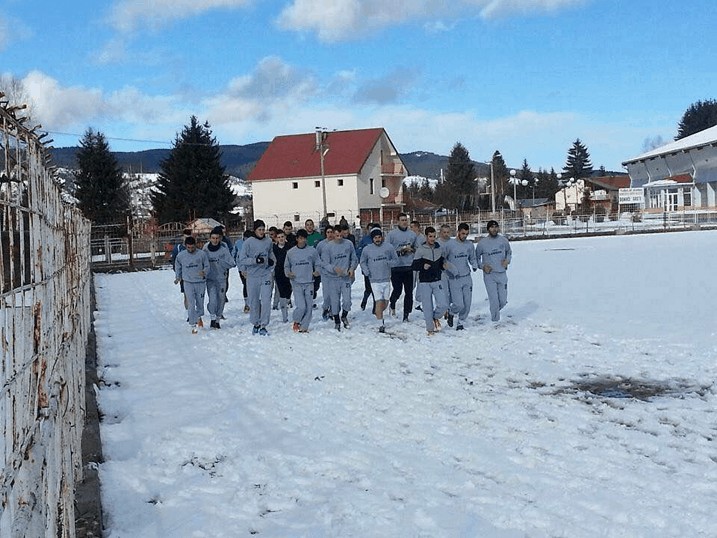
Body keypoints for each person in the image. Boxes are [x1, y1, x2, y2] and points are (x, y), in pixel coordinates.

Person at [238, 220, 276, 335]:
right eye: (259, 229)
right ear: (255, 230)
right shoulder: (248, 242)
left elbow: (271, 254)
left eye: (263, 229)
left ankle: (264, 325)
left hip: (265, 275)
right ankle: (256, 323)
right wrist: (255, 260)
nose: (262, 232)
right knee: (254, 301)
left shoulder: (268, 241)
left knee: (266, 300)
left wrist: (272, 262)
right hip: (253, 276)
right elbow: (242, 259)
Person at [319, 223, 358, 330]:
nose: (339, 238)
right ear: (334, 235)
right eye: (337, 236)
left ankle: (344, 316)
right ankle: (336, 320)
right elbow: (324, 263)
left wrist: (352, 268)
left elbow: (354, 258)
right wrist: (334, 268)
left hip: (345, 278)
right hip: (333, 278)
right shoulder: (328, 247)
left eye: (341, 235)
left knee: (347, 300)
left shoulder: (348, 244)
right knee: (335, 301)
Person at [359, 228, 398, 333]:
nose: (377, 239)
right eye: (375, 238)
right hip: (374, 280)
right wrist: (366, 271)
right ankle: (380, 324)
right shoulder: (367, 249)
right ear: (372, 239)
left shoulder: (389, 247)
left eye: (379, 237)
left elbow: (395, 260)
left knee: (385, 303)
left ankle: (379, 313)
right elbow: (362, 262)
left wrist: (389, 263)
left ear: (382, 237)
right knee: (378, 302)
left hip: (386, 278)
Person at [412, 226, 448, 336]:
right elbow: (414, 265)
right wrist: (422, 266)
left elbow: (441, 262)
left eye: (434, 236)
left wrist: (443, 265)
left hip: (437, 280)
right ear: (426, 236)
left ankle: (435, 317)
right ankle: (430, 329)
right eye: (430, 236)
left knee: (443, 304)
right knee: (427, 307)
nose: (432, 238)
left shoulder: (439, 248)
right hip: (424, 282)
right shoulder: (421, 249)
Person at [475, 220, 512, 322]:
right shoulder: (482, 243)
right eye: (491, 227)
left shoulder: (503, 240)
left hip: (502, 273)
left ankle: (495, 311)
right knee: (494, 300)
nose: (494, 229)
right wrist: (482, 266)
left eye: (496, 227)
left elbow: (509, 252)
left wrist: (507, 260)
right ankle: (495, 321)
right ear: (488, 229)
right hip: (489, 275)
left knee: (503, 301)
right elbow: (476, 258)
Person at [443, 222, 478, 330]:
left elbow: (472, 258)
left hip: (466, 276)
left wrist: (474, 265)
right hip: (454, 278)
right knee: (459, 304)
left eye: (467, 234)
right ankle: (451, 312)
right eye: (463, 233)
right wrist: (451, 269)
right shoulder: (449, 244)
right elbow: (443, 259)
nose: (465, 236)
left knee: (467, 304)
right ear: (458, 232)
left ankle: (460, 322)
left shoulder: (469, 245)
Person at [285, 229, 321, 333]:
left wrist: (317, 271)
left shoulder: (312, 251)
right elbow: (286, 266)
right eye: (300, 238)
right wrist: (288, 273)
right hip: (296, 282)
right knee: (301, 306)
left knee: (309, 307)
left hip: (309, 282)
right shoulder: (291, 252)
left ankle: (304, 327)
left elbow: (318, 263)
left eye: (304, 238)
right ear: (297, 239)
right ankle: (296, 320)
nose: (302, 241)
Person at [173, 236, 209, 333]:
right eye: (188, 247)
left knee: (200, 303)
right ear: (185, 246)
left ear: (195, 245)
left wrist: (204, 271)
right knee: (191, 304)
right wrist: (178, 277)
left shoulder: (202, 254)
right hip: (188, 282)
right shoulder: (181, 256)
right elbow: (178, 266)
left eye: (192, 247)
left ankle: (199, 317)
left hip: (200, 282)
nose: (190, 249)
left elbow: (207, 265)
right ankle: (193, 325)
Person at [387, 213, 418, 321]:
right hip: (396, 267)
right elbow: (387, 251)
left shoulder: (412, 234)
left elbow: (417, 248)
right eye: (402, 220)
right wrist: (400, 252)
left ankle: (406, 315)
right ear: (397, 222)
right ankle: (392, 303)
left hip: (408, 266)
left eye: (405, 220)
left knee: (409, 292)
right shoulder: (392, 235)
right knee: (398, 290)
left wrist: (411, 250)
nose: (404, 222)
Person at [203, 226, 235, 329]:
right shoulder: (205, 248)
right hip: (210, 279)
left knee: (221, 300)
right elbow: (201, 261)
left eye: (217, 238)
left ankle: (217, 320)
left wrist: (222, 263)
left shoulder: (224, 249)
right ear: (210, 238)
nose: (215, 240)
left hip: (221, 279)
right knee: (213, 299)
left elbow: (232, 263)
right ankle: (212, 318)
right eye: (213, 238)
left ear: (220, 238)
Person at [356, 222, 377, 311]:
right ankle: (364, 302)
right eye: (369, 229)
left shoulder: (378, 239)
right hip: (367, 268)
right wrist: (361, 261)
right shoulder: (365, 240)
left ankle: (375, 307)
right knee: (368, 288)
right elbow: (358, 251)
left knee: (375, 289)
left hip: (377, 268)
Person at [272, 230, 292, 323]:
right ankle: (284, 316)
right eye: (279, 237)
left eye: (282, 237)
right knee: (281, 293)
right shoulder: (274, 249)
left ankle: (287, 303)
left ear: (285, 237)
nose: (281, 239)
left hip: (288, 274)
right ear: (276, 238)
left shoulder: (290, 248)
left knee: (288, 292)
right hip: (278, 273)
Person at [170, 228, 193, 311]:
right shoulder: (178, 247)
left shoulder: (195, 247)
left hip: (194, 275)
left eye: (189, 237)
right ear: (183, 237)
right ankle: (189, 312)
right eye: (186, 237)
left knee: (194, 295)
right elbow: (174, 260)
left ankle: (194, 311)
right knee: (186, 294)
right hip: (184, 276)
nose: (187, 239)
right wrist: (178, 273)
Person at [316, 225, 335, 320]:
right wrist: (319, 268)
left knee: (334, 294)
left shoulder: (337, 243)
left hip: (336, 273)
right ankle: (325, 307)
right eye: (328, 232)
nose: (330, 234)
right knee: (327, 294)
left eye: (331, 232)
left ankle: (332, 311)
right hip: (325, 273)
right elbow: (317, 257)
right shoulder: (321, 245)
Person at [232, 229, 253, 313]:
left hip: (252, 268)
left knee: (253, 285)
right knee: (246, 284)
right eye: (246, 238)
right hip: (242, 268)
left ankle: (254, 303)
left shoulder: (254, 244)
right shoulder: (238, 243)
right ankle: (247, 304)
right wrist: (236, 264)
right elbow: (234, 254)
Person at [305, 218, 323, 303]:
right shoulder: (303, 236)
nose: (309, 226)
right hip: (306, 263)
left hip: (316, 263)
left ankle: (314, 292)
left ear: (313, 226)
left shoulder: (318, 236)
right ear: (305, 226)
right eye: (307, 225)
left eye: (311, 225)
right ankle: (309, 299)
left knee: (316, 282)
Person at [410, 220, 425, 310]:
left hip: (419, 263)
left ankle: (418, 302)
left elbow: (424, 250)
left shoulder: (422, 238)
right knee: (411, 283)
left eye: (412, 227)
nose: (411, 229)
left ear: (417, 228)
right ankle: (408, 299)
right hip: (411, 263)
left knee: (420, 283)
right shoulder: (409, 237)